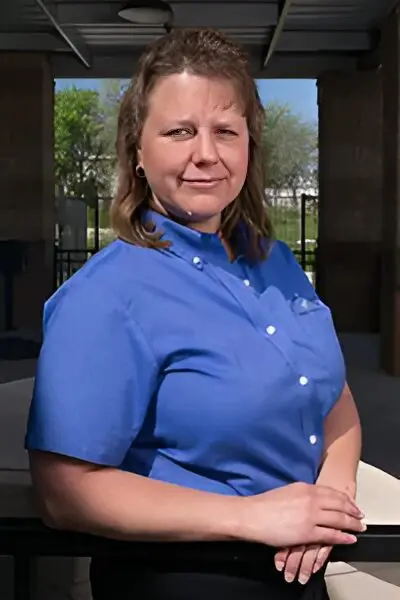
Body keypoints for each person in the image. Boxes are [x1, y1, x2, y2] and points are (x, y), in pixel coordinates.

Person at [25, 28, 363, 600]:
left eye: (225, 131)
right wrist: (252, 517)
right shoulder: (108, 295)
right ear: (137, 150)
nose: (205, 153)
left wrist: (330, 497)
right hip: (185, 578)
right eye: (180, 131)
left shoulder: (273, 261)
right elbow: (64, 492)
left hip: (302, 572)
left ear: (248, 147)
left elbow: (331, 396)